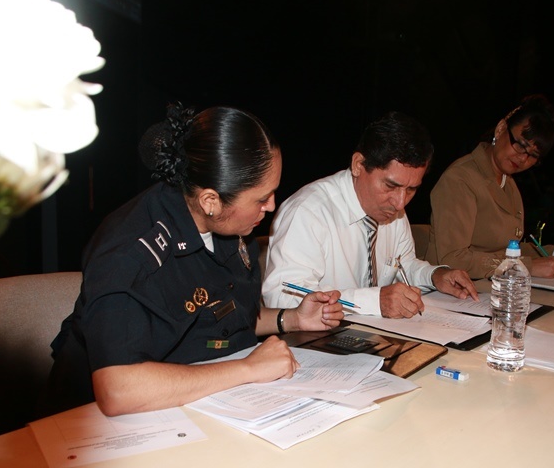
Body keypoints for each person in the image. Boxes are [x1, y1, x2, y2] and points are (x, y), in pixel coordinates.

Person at [41, 104, 344, 418]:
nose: (270, 206)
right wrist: (247, 369)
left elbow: (222, 316)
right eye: (261, 198)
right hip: (100, 420)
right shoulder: (131, 253)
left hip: (199, 398)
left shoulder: (228, 224)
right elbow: (118, 390)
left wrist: (292, 319)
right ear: (211, 200)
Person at [262, 111, 478, 319]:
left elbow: (403, 266)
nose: (400, 202)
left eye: (411, 189)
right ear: (358, 165)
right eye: (390, 186)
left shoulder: (393, 209)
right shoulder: (308, 211)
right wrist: (374, 301)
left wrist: (434, 276)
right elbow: (282, 299)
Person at [425, 94, 554, 279]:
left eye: (533, 155)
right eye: (520, 145)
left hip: (488, 286)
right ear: (501, 129)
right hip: (452, 288)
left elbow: (506, 249)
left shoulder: (508, 183)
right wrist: (524, 266)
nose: (523, 158)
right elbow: (454, 259)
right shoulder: (460, 179)